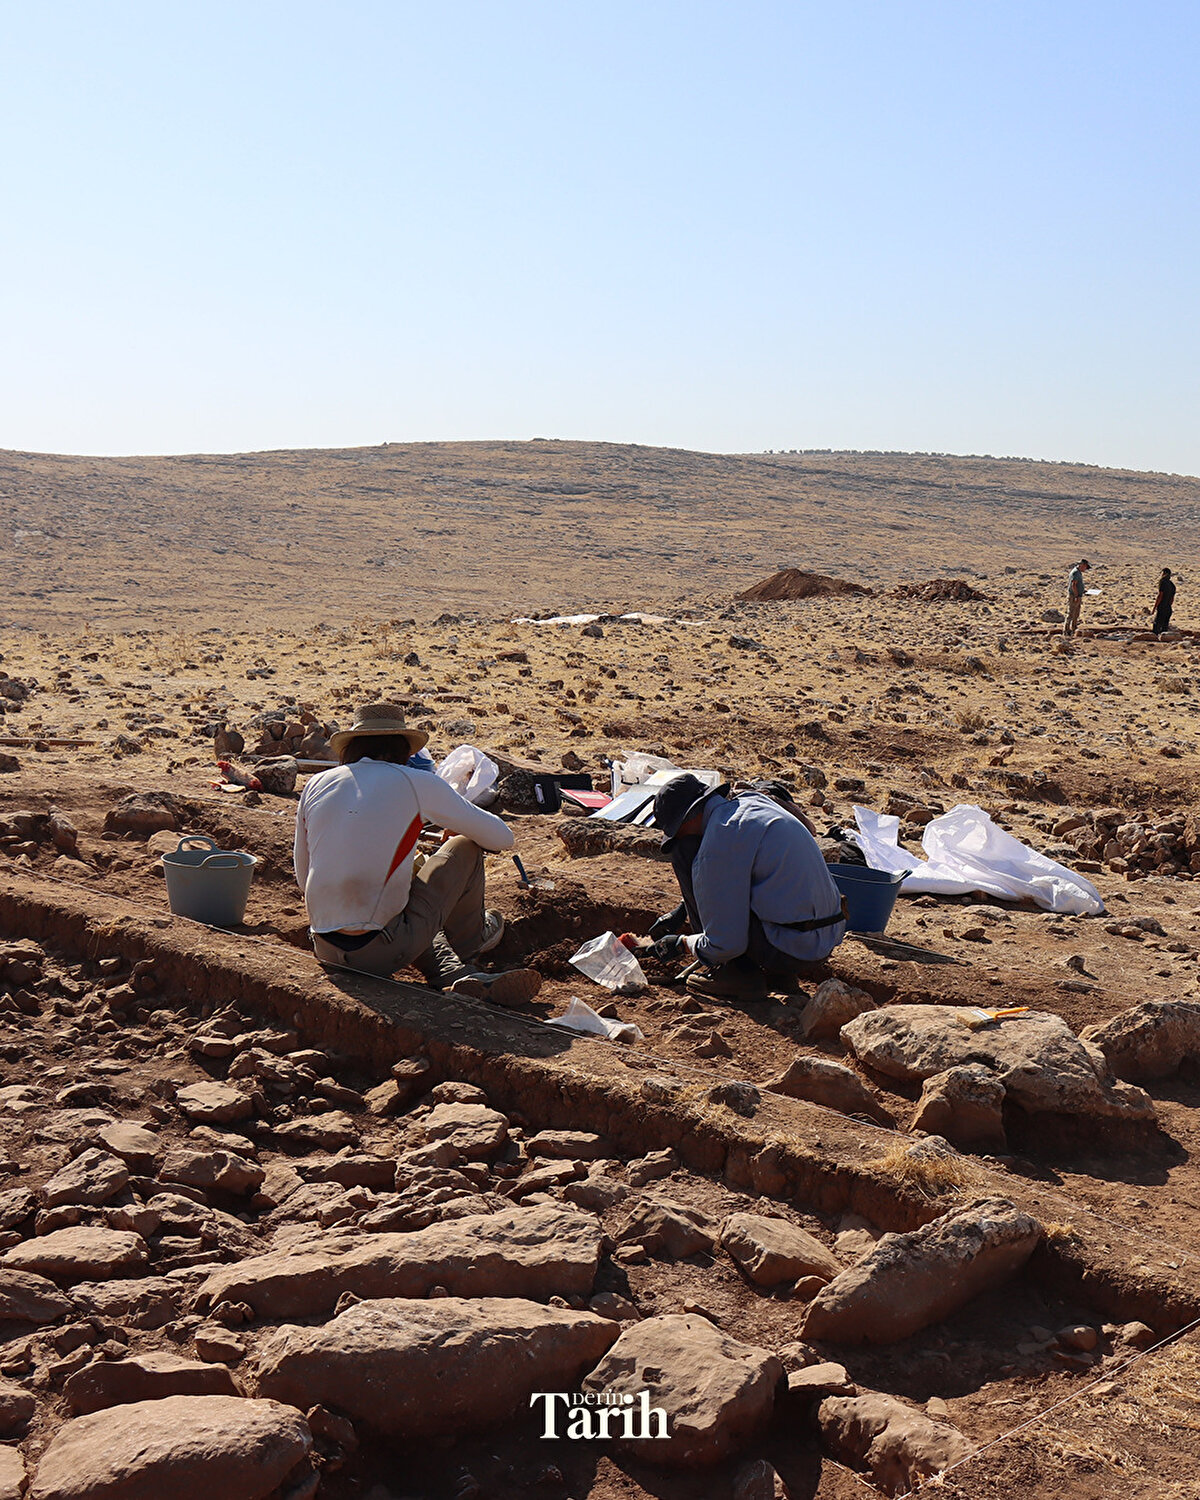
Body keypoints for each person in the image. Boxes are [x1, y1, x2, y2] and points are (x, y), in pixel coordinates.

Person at [293, 702, 540, 1006]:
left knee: (400, 896)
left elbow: (304, 880)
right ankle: (472, 946)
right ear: (405, 749)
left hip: (325, 947)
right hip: (382, 949)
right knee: (464, 846)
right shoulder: (416, 782)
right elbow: (503, 838)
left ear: (352, 748)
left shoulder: (316, 784)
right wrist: (460, 827)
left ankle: (454, 975)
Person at [644, 773, 847, 1002]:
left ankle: (735, 973)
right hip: (823, 938)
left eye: (676, 830)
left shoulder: (718, 843)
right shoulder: (753, 802)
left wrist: (682, 943)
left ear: (686, 818)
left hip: (792, 948)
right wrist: (683, 909)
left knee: (682, 851)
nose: (678, 835)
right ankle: (780, 976)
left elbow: (725, 943)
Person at [1065, 558, 1090, 637]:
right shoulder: (1076, 573)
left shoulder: (1078, 572)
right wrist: (1076, 596)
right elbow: (1073, 585)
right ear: (1083, 565)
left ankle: (1074, 629)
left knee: (1076, 613)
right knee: (1071, 613)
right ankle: (1066, 631)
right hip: (1074, 596)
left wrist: (1082, 591)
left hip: (1077, 595)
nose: (1086, 569)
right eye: (1085, 567)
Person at [1152, 568, 1176, 635]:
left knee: (1156, 628)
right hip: (1168, 609)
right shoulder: (1172, 585)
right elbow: (1172, 599)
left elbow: (1160, 596)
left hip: (1162, 607)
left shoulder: (1162, 581)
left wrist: (1155, 607)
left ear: (1164, 573)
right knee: (1164, 630)